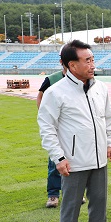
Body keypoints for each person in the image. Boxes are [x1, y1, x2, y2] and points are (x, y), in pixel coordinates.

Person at [37, 40, 111, 222]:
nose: (93, 64)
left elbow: (109, 118)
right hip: (73, 162)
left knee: (99, 202)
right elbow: (47, 127)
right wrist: (59, 158)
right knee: (71, 206)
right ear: (72, 65)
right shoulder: (56, 92)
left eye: (93, 59)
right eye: (87, 60)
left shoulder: (100, 88)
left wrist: (110, 143)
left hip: (99, 159)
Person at [36, 47, 66, 208]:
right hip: (57, 128)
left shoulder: (83, 80)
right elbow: (40, 95)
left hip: (75, 129)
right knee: (55, 161)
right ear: (62, 62)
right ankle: (53, 194)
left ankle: (74, 192)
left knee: (76, 161)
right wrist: (45, 116)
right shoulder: (52, 79)